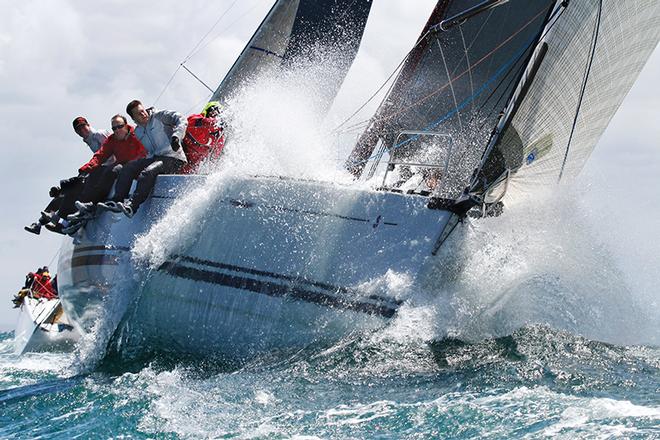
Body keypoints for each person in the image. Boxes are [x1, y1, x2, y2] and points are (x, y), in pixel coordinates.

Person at [97, 100, 187, 217]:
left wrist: (176, 136)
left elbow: (181, 119)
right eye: (139, 114)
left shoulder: (159, 116)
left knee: (148, 172)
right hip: (157, 159)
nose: (143, 114)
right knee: (128, 167)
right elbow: (149, 152)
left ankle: (132, 206)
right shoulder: (138, 132)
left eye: (143, 111)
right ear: (134, 119)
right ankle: (117, 201)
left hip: (174, 158)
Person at [24, 117, 111, 235]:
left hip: (106, 170)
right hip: (98, 169)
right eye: (78, 130)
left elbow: (110, 152)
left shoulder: (98, 135)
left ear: (88, 125)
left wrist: (90, 169)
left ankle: (62, 220)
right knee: (65, 192)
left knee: (73, 188)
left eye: (83, 127)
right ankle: (39, 224)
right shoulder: (89, 140)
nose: (81, 131)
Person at [69, 114, 147, 225]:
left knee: (117, 170)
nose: (117, 130)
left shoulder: (137, 134)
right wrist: (86, 168)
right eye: (114, 128)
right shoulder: (112, 139)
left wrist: (131, 163)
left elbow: (144, 152)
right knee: (103, 172)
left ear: (126, 125)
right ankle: (90, 206)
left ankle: (115, 201)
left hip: (138, 165)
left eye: (119, 127)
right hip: (123, 165)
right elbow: (101, 155)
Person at [180, 101, 226, 174]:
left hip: (190, 170)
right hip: (178, 157)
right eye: (212, 110)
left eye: (217, 112)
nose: (213, 113)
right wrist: (217, 123)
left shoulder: (219, 138)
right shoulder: (196, 119)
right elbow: (192, 125)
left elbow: (214, 158)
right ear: (207, 111)